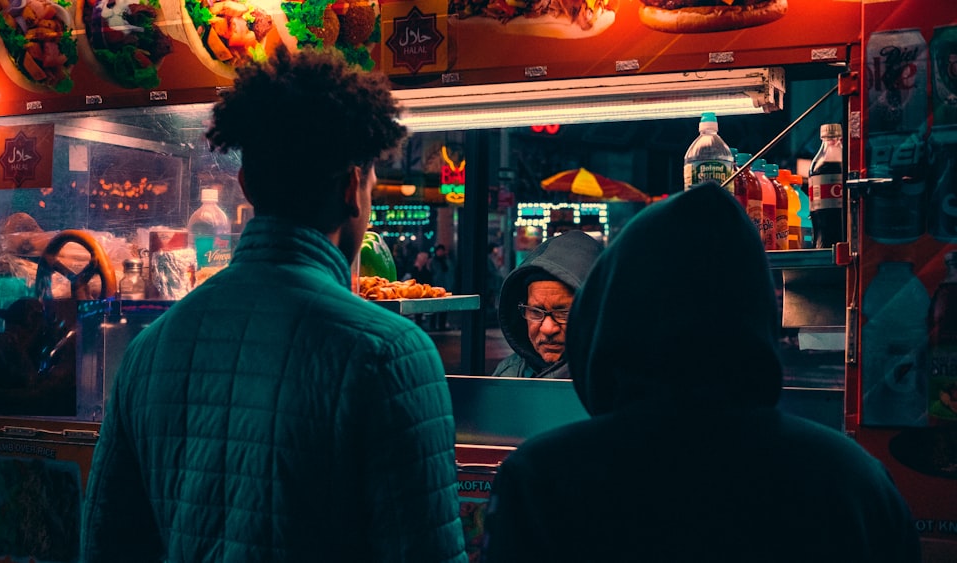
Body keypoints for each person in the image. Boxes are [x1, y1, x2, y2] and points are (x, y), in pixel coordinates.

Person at [81, 47, 468, 563]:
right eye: (372, 185)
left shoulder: (151, 350)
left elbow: (108, 544)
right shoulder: (391, 355)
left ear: (246, 184)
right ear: (354, 189)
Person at [482, 183, 921, 563]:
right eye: (536, 311)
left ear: (609, 314)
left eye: (561, 310)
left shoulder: (539, 481)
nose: (546, 325)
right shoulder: (856, 486)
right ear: (759, 313)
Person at [491, 230, 603, 379]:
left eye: (563, 313)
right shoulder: (509, 375)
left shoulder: (623, 380)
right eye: (536, 312)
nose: (548, 329)